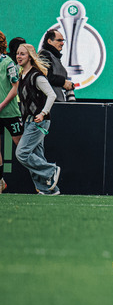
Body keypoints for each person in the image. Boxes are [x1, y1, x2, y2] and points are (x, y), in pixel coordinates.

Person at [11, 42, 59, 194]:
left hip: (39, 121)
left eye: (22, 54)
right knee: (37, 155)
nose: (19, 56)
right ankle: (50, 190)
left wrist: (43, 113)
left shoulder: (36, 76)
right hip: (29, 121)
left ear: (30, 57)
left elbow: (52, 95)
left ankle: (51, 170)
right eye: (18, 54)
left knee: (22, 153)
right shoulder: (21, 75)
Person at [0, 30, 21, 194]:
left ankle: (40, 179)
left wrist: (1, 105)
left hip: (10, 112)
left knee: (21, 148)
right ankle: (1, 181)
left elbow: (15, 89)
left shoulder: (8, 62)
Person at [38, 30, 71, 102]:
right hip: (49, 104)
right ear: (49, 41)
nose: (62, 43)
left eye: (63, 41)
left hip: (56, 102)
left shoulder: (54, 57)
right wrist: (63, 82)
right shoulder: (44, 55)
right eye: (59, 40)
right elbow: (45, 76)